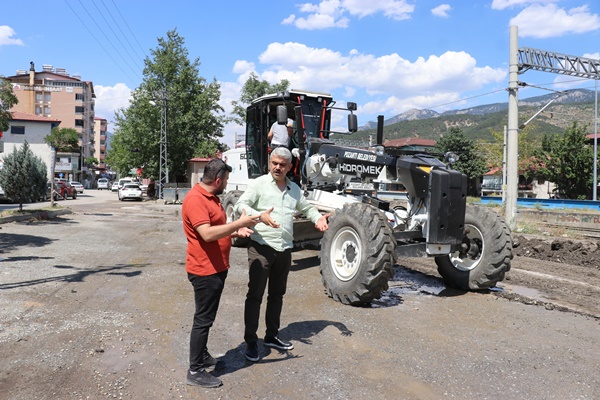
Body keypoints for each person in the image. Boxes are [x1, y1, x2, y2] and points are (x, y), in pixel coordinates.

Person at [234, 147, 329, 362]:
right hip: (261, 248)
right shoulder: (258, 185)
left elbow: (307, 208)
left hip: (284, 249)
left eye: (282, 164)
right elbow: (241, 205)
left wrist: (318, 218)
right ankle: (251, 341)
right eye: (274, 163)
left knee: (277, 296)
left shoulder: (294, 189)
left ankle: (271, 335)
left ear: (289, 167)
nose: (277, 167)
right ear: (270, 163)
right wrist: (259, 216)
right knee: (255, 296)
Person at [182, 158, 259, 388]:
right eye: (226, 179)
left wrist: (236, 232)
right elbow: (206, 234)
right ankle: (195, 371)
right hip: (205, 270)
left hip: (216, 268)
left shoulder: (211, 197)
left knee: (208, 317)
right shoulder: (196, 200)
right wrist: (238, 224)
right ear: (218, 180)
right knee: (202, 320)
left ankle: (202, 356)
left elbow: (215, 231)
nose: (227, 183)